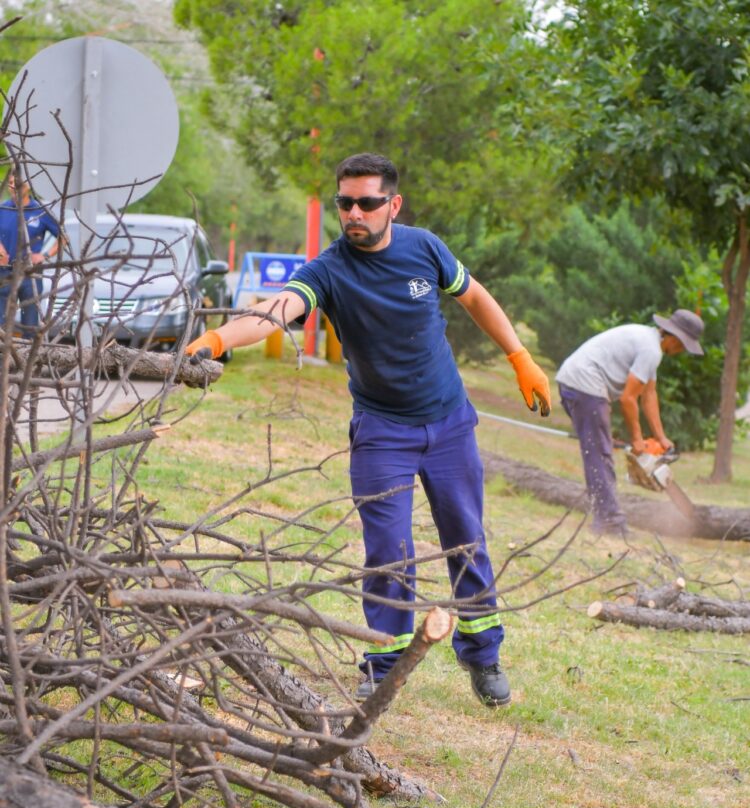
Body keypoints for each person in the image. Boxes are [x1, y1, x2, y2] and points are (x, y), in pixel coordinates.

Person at [186, 152, 551, 707]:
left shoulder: (424, 248)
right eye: (345, 202)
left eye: (367, 202)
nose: (354, 212)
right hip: (382, 431)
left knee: (467, 539)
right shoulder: (329, 270)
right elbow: (277, 309)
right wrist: (217, 339)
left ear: (393, 204)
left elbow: (473, 295)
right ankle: (384, 662)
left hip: (450, 423)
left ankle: (484, 655)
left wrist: (519, 355)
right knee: (387, 549)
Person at [555, 309, 705, 536]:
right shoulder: (650, 350)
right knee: (599, 454)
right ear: (675, 337)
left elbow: (649, 395)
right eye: (684, 345)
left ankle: (607, 516)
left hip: (577, 382)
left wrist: (660, 437)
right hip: (584, 383)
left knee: (599, 448)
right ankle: (609, 522)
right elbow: (628, 398)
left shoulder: (650, 344)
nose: (682, 350)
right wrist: (637, 439)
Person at [0, 171, 61, 338]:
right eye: (11, 182)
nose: (14, 187)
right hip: (4, 272)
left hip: (30, 274)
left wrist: (45, 255)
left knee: (30, 324)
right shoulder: (3, 208)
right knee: (1, 323)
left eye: (18, 183)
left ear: (28, 186)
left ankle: (28, 362)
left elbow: (63, 237)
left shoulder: (39, 211)